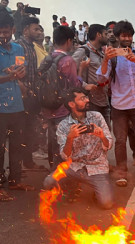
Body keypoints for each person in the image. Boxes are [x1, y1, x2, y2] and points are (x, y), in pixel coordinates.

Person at [96, 20, 135, 186]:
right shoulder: (113, 57)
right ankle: (121, 173)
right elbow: (101, 78)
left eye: (129, 35)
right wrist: (106, 59)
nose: (127, 38)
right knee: (120, 141)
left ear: (132, 36)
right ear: (118, 37)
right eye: (123, 35)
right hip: (119, 106)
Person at [43, 87, 114, 209]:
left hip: (97, 167)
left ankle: (98, 190)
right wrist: (70, 138)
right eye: (82, 98)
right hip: (74, 167)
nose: (87, 100)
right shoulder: (63, 125)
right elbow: (65, 156)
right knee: (48, 183)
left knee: (106, 204)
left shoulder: (97, 117)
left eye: (86, 97)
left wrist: (102, 136)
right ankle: (71, 186)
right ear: (71, 104)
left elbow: (108, 145)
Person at [0, 8, 34, 202]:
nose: (3, 35)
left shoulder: (19, 49)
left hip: (17, 106)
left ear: (13, 29)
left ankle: (15, 180)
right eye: (0, 32)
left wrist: (20, 73)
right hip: (0, 108)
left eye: (6, 31)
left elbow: (22, 69)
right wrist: (9, 77)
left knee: (16, 146)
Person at [41, 25, 82, 170]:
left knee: (52, 140)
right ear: (69, 41)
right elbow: (75, 85)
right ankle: (61, 176)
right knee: (63, 141)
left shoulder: (48, 57)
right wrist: (81, 71)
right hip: (62, 108)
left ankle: (53, 171)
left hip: (47, 106)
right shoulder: (67, 60)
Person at [16, 16, 43, 170]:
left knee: (29, 130)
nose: (39, 32)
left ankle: (28, 162)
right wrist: (24, 90)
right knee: (21, 130)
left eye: (39, 29)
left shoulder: (31, 47)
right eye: (35, 29)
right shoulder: (20, 46)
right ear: (26, 30)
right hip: (22, 96)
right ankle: (18, 166)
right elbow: (17, 72)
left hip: (31, 94)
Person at [73, 24, 110, 127]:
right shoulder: (83, 51)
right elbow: (68, 72)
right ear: (98, 35)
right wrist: (84, 85)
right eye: (105, 34)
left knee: (106, 137)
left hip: (104, 100)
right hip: (90, 102)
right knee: (91, 137)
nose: (108, 36)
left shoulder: (102, 52)